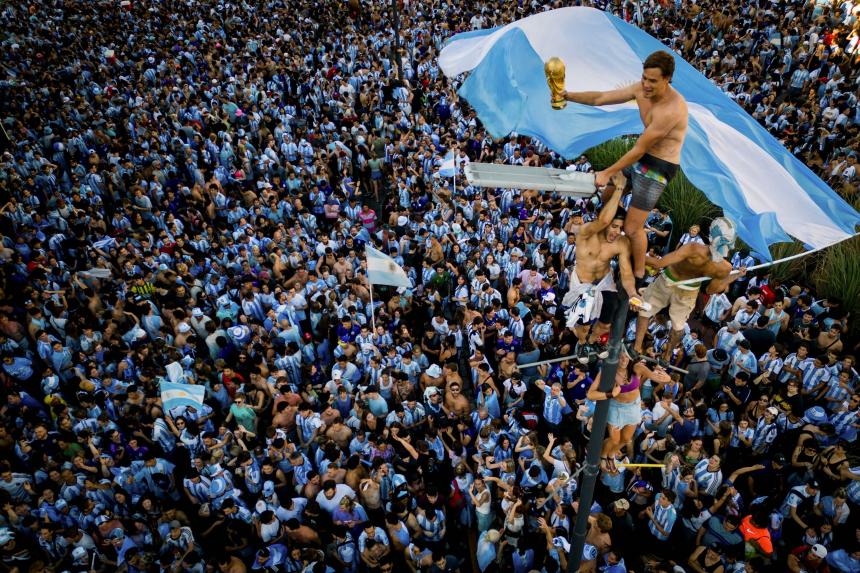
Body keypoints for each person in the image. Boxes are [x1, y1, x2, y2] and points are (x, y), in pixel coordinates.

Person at [561, 50, 688, 284]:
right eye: (644, 78)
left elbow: (639, 148)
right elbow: (601, 98)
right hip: (643, 157)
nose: (646, 85)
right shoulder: (640, 89)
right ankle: (605, 234)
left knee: (632, 228)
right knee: (609, 193)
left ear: (667, 78)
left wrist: (608, 171)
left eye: (652, 81)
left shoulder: (672, 109)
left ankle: (639, 273)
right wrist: (568, 95)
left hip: (659, 167)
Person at [635, 217, 744, 359]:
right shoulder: (725, 267)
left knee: (645, 311)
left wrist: (634, 253)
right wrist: (733, 276)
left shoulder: (693, 248)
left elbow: (658, 264)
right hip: (689, 291)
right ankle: (667, 357)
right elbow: (710, 290)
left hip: (668, 281)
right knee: (678, 326)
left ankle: (637, 347)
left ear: (711, 235)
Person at [560, 183, 639, 359]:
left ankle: (592, 341)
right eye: (614, 226)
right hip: (582, 283)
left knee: (605, 325)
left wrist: (633, 293)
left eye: (620, 227)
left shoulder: (621, 243)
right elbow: (603, 220)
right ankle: (582, 343)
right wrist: (619, 189)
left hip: (604, 283)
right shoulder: (587, 232)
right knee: (584, 325)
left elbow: (626, 274)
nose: (617, 232)